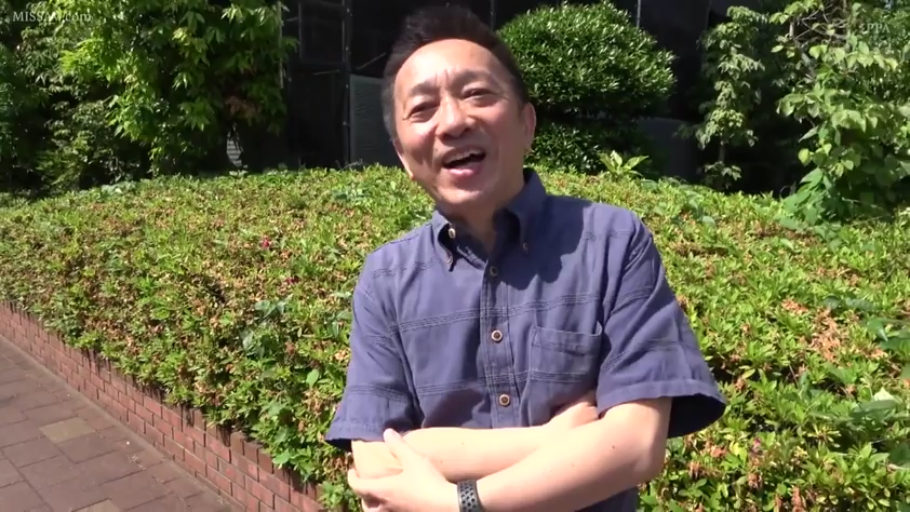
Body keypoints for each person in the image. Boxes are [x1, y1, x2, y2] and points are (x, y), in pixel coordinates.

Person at [324, 5, 726, 512]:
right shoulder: (386, 278)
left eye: (477, 94)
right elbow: (377, 464)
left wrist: (456, 500)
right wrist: (554, 439)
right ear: (404, 156)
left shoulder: (612, 242)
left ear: (526, 124)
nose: (453, 121)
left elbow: (636, 445)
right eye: (422, 109)